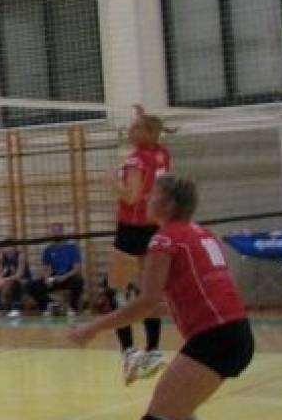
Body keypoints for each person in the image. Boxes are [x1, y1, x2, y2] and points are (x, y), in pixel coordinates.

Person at [70, 175, 253, 420]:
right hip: (235, 333)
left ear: (168, 204)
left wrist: (93, 327)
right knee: (179, 414)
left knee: (159, 417)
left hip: (215, 338)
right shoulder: (202, 233)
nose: (146, 197)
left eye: (153, 194)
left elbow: (147, 303)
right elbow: (187, 297)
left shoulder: (165, 238)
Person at [106, 105, 172, 383]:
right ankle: (153, 350)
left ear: (147, 133)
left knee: (114, 289)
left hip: (131, 229)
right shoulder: (162, 154)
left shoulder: (135, 161)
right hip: (153, 227)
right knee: (149, 292)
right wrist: (143, 117)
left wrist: (112, 183)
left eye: (135, 128)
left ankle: (129, 351)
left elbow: (131, 197)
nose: (129, 131)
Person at [26, 223, 84, 317]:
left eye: (58, 231)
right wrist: (47, 277)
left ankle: (72, 307)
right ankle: (50, 305)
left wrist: (64, 276)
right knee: (31, 286)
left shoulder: (72, 248)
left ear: (62, 232)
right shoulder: (48, 250)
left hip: (68, 278)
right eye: (54, 231)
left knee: (79, 281)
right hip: (54, 279)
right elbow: (47, 268)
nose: (56, 233)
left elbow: (77, 269)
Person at [0, 245, 30, 317]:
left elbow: (19, 275)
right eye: (6, 247)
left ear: (14, 248)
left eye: (10, 247)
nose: (8, 249)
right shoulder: (2, 257)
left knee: (15, 283)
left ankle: (16, 309)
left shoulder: (20, 256)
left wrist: (5, 280)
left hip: (23, 279)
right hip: (8, 280)